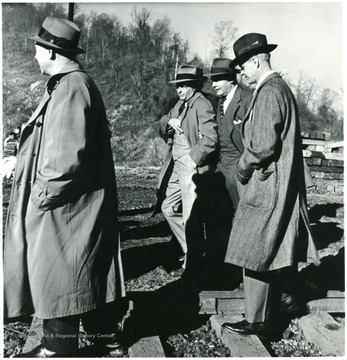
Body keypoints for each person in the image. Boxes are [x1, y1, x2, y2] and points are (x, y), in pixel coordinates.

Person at [4, 17, 126, 357]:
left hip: (65, 210)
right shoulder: (73, 84)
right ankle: (106, 337)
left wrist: (39, 199)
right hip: (76, 209)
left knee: (59, 281)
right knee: (79, 276)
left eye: (37, 50)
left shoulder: (70, 87)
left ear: (53, 52)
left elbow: (63, 160)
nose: (34, 56)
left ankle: (58, 350)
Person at [221, 33, 320, 338]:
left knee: (254, 252)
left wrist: (241, 168)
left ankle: (260, 322)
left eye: (243, 66)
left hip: (266, 187)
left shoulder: (268, 91)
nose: (242, 74)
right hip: (274, 186)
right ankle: (262, 318)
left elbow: (262, 146)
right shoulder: (278, 89)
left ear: (256, 60)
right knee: (262, 254)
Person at [153, 65, 218, 278]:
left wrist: (193, 160)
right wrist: (168, 121)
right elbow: (163, 124)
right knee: (168, 207)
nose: (179, 89)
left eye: (183, 85)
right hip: (175, 165)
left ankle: (192, 264)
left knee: (192, 217)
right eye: (178, 86)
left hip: (191, 166)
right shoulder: (179, 105)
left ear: (194, 86)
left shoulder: (202, 105)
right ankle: (191, 249)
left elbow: (210, 140)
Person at [202, 58, 253, 288]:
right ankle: (223, 272)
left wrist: (243, 170)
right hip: (222, 171)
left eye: (219, 79)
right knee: (217, 222)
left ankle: (244, 277)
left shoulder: (246, 99)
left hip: (240, 171)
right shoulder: (220, 102)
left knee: (241, 225)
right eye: (212, 79)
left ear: (232, 79)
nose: (214, 84)